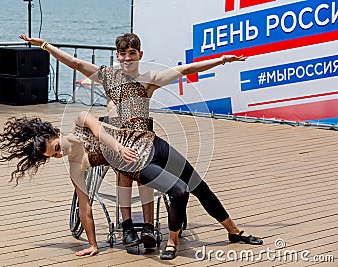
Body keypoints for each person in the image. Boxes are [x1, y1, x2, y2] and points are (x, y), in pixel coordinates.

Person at [18, 33, 248, 251]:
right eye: (123, 54)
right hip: (115, 143)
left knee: (196, 185)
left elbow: (187, 69)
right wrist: (45, 45)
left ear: (140, 54)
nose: (127, 58)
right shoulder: (108, 76)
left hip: (144, 140)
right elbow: (76, 63)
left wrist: (222, 60)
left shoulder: (150, 80)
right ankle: (129, 226)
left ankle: (228, 230)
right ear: (117, 56)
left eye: (132, 53)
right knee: (127, 169)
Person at [0, 111, 263, 260]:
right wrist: (93, 244)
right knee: (179, 190)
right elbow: (85, 208)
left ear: (56, 134)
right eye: (53, 157)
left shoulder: (79, 121)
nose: (59, 155)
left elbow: (100, 131)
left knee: (199, 186)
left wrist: (118, 147)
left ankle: (234, 232)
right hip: (137, 164)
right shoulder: (76, 167)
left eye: (55, 148)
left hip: (151, 144)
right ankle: (172, 242)